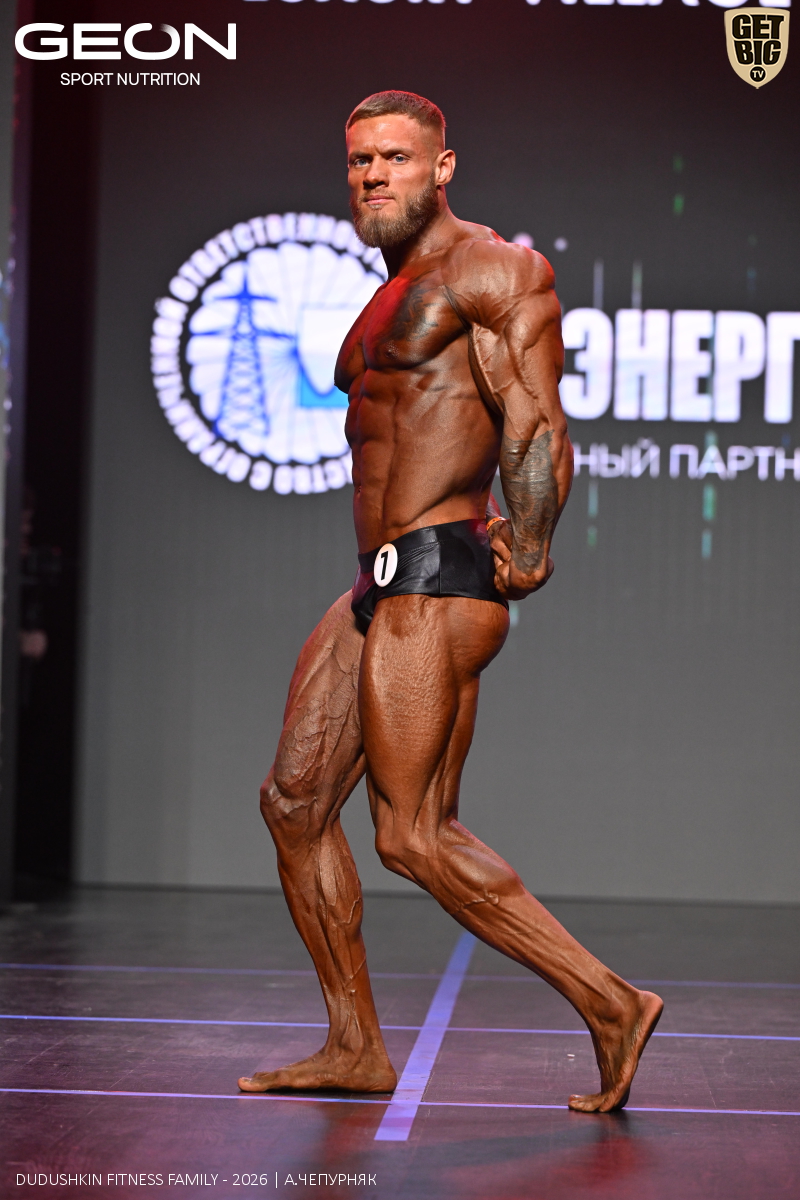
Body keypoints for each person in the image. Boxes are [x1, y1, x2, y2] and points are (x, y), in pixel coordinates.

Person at [238, 91, 662, 1112]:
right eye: (359, 161)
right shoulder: (384, 298)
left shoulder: (492, 270)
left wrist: (535, 542)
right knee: (294, 805)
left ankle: (612, 1003)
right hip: (377, 584)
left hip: (440, 575)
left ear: (442, 166)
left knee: (413, 833)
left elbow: (534, 420)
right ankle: (354, 1046)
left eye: (394, 157)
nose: (372, 175)